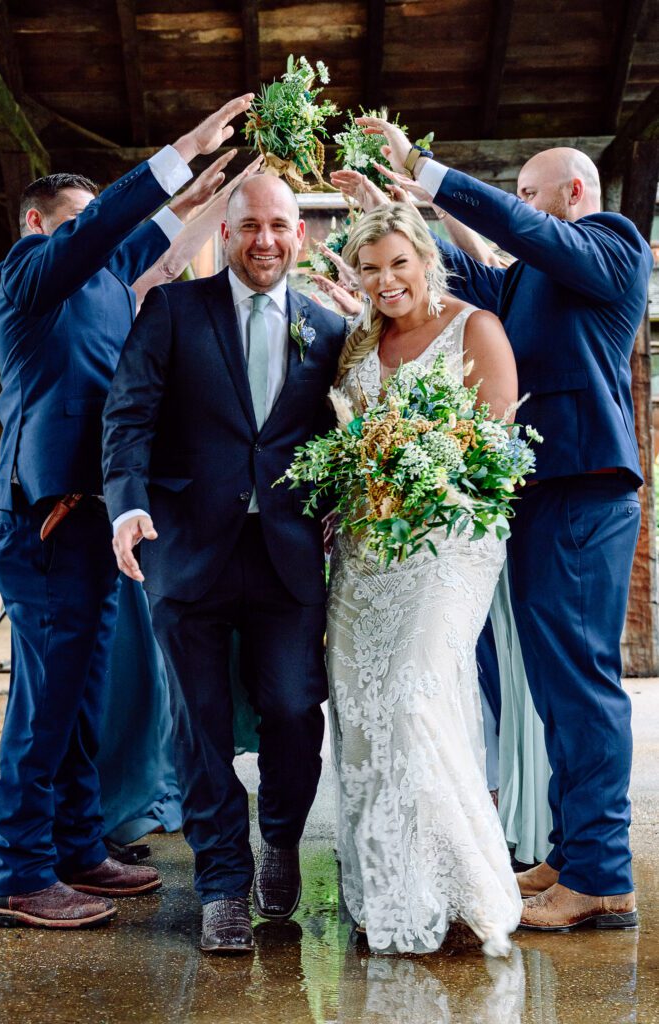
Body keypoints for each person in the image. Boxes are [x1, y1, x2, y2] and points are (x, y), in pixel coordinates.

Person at [362, 114, 653, 930]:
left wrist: (428, 169)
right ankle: (571, 850)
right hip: (541, 494)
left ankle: (601, 876)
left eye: (530, 194)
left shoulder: (613, 244)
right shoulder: (529, 279)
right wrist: (394, 212)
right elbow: (462, 271)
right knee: (556, 688)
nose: (519, 207)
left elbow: (517, 232)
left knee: (581, 684)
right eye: (515, 193)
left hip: (582, 490)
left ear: (574, 192)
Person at [0, 93, 254, 930]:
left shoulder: (102, 281)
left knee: (80, 696)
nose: (94, 233)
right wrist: (179, 150)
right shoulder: (22, 278)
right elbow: (108, 231)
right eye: (77, 222)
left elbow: (161, 243)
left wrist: (231, 177)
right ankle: (18, 873)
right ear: (38, 222)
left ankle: (72, 843)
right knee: (45, 702)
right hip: (46, 521)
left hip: (95, 521)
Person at [102, 172, 347, 954]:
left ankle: (279, 838)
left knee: (292, 706)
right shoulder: (173, 310)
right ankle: (220, 886)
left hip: (289, 552)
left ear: (299, 235)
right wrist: (127, 501)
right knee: (198, 725)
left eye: (280, 225)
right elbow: (129, 413)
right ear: (226, 232)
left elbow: (338, 436)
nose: (265, 240)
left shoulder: (328, 327)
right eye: (250, 226)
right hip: (185, 547)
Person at [327, 201, 522, 956]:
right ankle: (392, 890)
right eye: (370, 269)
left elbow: (499, 450)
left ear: (424, 258)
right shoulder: (355, 346)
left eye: (398, 264)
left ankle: (464, 882)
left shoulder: (475, 327)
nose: (385, 281)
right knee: (363, 717)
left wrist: (425, 477)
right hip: (364, 555)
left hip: (449, 546)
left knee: (414, 697)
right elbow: (340, 442)